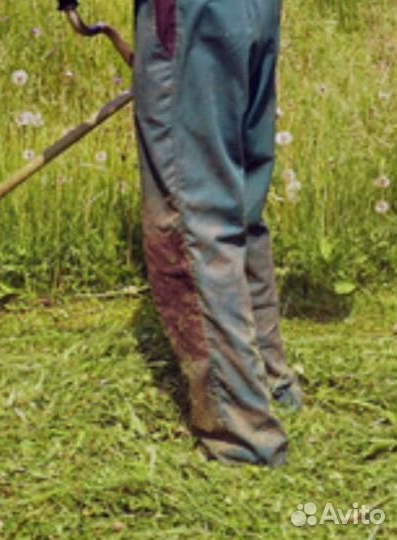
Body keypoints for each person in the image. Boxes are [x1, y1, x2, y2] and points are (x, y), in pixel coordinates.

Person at [132, 0, 303, 467]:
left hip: (192, 12)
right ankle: (270, 382)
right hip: (253, 11)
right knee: (240, 199)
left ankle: (241, 435)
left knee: (193, 216)